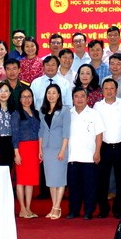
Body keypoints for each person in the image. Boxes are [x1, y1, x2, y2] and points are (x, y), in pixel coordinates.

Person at [67, 86, 105, 220]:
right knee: (73, 186)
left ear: (88, 98)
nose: (79, 99)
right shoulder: (68, 114)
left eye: (82, 96)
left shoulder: (94, 114)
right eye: (76, 96)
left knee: (90, 186)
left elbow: (99, 134)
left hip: (89, 157)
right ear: (72, 99)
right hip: (72, 156)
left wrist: (97, 152)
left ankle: (89, 211)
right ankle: (74, 210)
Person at [93, 78, 121, 218]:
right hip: (104, 146)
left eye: (112, 88)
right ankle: (103, 209)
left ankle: (118, 209)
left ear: (116, 90)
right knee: (102, 179)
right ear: (102, 91)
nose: (109, 91)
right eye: (106, 88)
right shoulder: (97, 106)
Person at [39, 84, 70, 220]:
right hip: (47, 148)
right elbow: (41, 131)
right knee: (51, 179)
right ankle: (54, 206)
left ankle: (57, 207)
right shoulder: (42, 111)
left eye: (54, 93)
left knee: (60, 178)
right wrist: (40, 149)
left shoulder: (64, 110)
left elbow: (66, 132)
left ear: (58, 95)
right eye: (49, 93)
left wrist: (63, 150)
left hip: (59, 148)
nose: (51, 95)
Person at [11, 86, 41, 219]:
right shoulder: (16, 114)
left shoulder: (36, 113)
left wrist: (40, 150)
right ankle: (22, 209)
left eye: (29, 97)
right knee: (21, 180)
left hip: (34, 148)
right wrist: (16, 153)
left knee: (30, 180)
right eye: (24, 97)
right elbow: (15, 134)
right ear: (19, 99)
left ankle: (28, 208)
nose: (26, 99)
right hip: (22, 149)